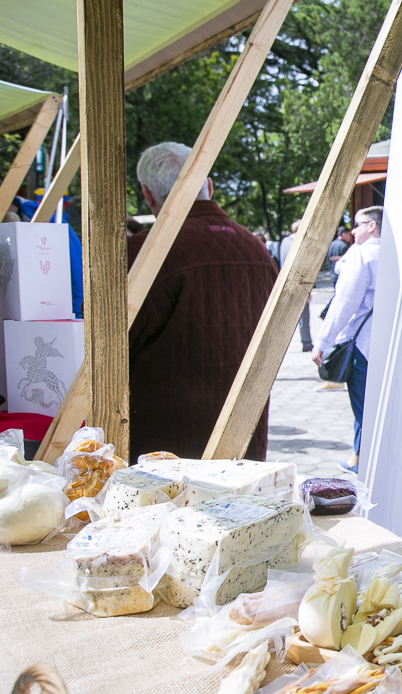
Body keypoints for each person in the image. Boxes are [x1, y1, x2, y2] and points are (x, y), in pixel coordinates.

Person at [129, 141, 278, 459]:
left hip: (165, 449)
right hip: (243, 440)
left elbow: (110, 343)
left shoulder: (147, 251)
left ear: (147, 194)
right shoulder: (256, 249)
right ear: (208, 186)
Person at [312, 206, 382, 474]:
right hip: (389, 346)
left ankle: (364, 461)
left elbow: (344, 303)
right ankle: (360, 456)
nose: (352, 230)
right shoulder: (396, 254)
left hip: (362, 343)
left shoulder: (363, 255)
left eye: (358, 224)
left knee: (364, 406)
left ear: (372, 226)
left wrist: (323, 342)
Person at [280, 218, 314, 352]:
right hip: (300, 284)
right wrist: (308, 289)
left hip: (285, 283)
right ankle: (307, 342)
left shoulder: (284, 242)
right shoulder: (302, 243)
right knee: (303, 315)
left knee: (286, 316)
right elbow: (304, 267)